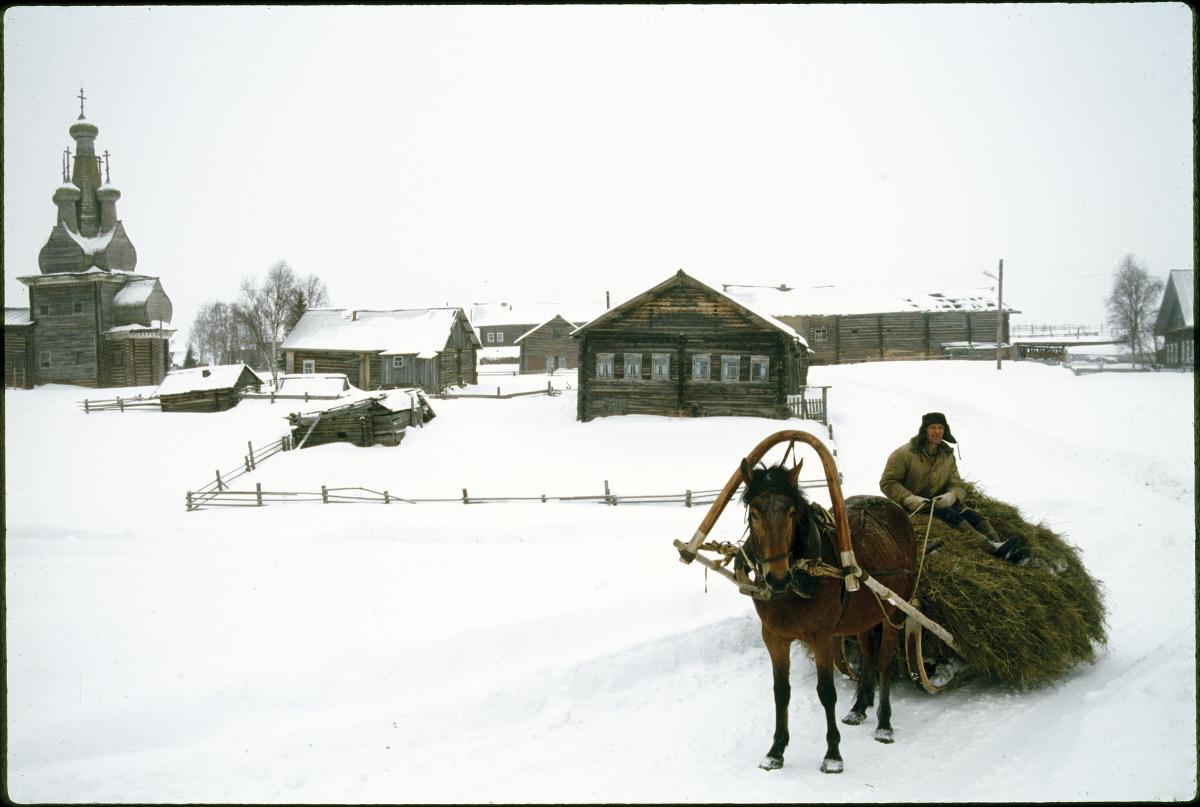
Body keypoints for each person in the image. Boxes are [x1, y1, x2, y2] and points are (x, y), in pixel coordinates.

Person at [880, 412, 1028, 563]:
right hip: (915, 508)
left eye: (941, 428)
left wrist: (951, 496)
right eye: (933, 427)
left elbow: (956, 484)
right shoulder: (903, 454)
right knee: (949, 515)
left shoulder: (947, 455)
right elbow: (888, 482)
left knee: (970, 514)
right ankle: (990, 547)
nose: (937, 432)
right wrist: (910, 499)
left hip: (940, 503)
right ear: (924, 430)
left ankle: (1001, 546)